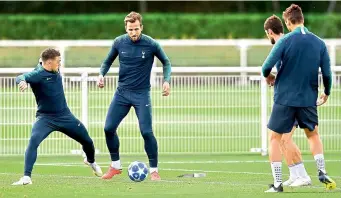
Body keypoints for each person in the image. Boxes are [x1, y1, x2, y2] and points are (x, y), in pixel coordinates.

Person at [262, 4, 336, 192]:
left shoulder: (284, 41)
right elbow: (327, 73)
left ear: (287, 22)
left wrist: (269, 76)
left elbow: (266, 67)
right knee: (313, 135)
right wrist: (326, 92)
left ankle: (278, 183)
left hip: (285, 98)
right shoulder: (319, 43)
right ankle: (322, 171)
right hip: (308, 99)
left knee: (275, 138)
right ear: (302, 18)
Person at [97, 11, 171, 181]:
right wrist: (101, 74)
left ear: (141, 27)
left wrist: (166, 81)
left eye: (136, 29)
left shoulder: (151, 44)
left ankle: (154, 170)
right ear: (126, 28)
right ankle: (115, 166)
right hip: (122, 93)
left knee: (146, 132)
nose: (133, 33)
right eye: (130, 29)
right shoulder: (119, 42)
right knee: (108, 128)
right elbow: (107, 61)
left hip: (141, 94)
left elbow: (166, 62)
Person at [12, 48, 102, 185]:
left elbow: (42, 60)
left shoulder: (54, 68)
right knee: (33, 141)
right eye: (58, 61)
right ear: (48, 63)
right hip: (45, 119)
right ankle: (26, 177)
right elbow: (21, 77)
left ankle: (91, 161)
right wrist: (22, 82)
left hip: (65, 116)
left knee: (88, 141)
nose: (60, 64)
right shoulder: (38, 74)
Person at [264, 14, 311, 187]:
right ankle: (295, 174)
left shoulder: (282, 45)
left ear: (269, 32)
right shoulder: (290, 42)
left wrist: (270, 77)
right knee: (283, 139)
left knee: (283, 139)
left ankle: (303, 176)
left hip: (292, 99)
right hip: (295, 96)